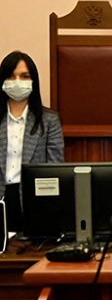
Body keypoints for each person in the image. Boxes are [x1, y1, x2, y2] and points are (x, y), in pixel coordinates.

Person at [0, 51, 64, 232]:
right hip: (2, 197)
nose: (18, 81)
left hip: (33, 198)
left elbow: (55, 168)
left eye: (24, 76)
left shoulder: (49, 120)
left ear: (33, 81)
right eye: (11, 76)